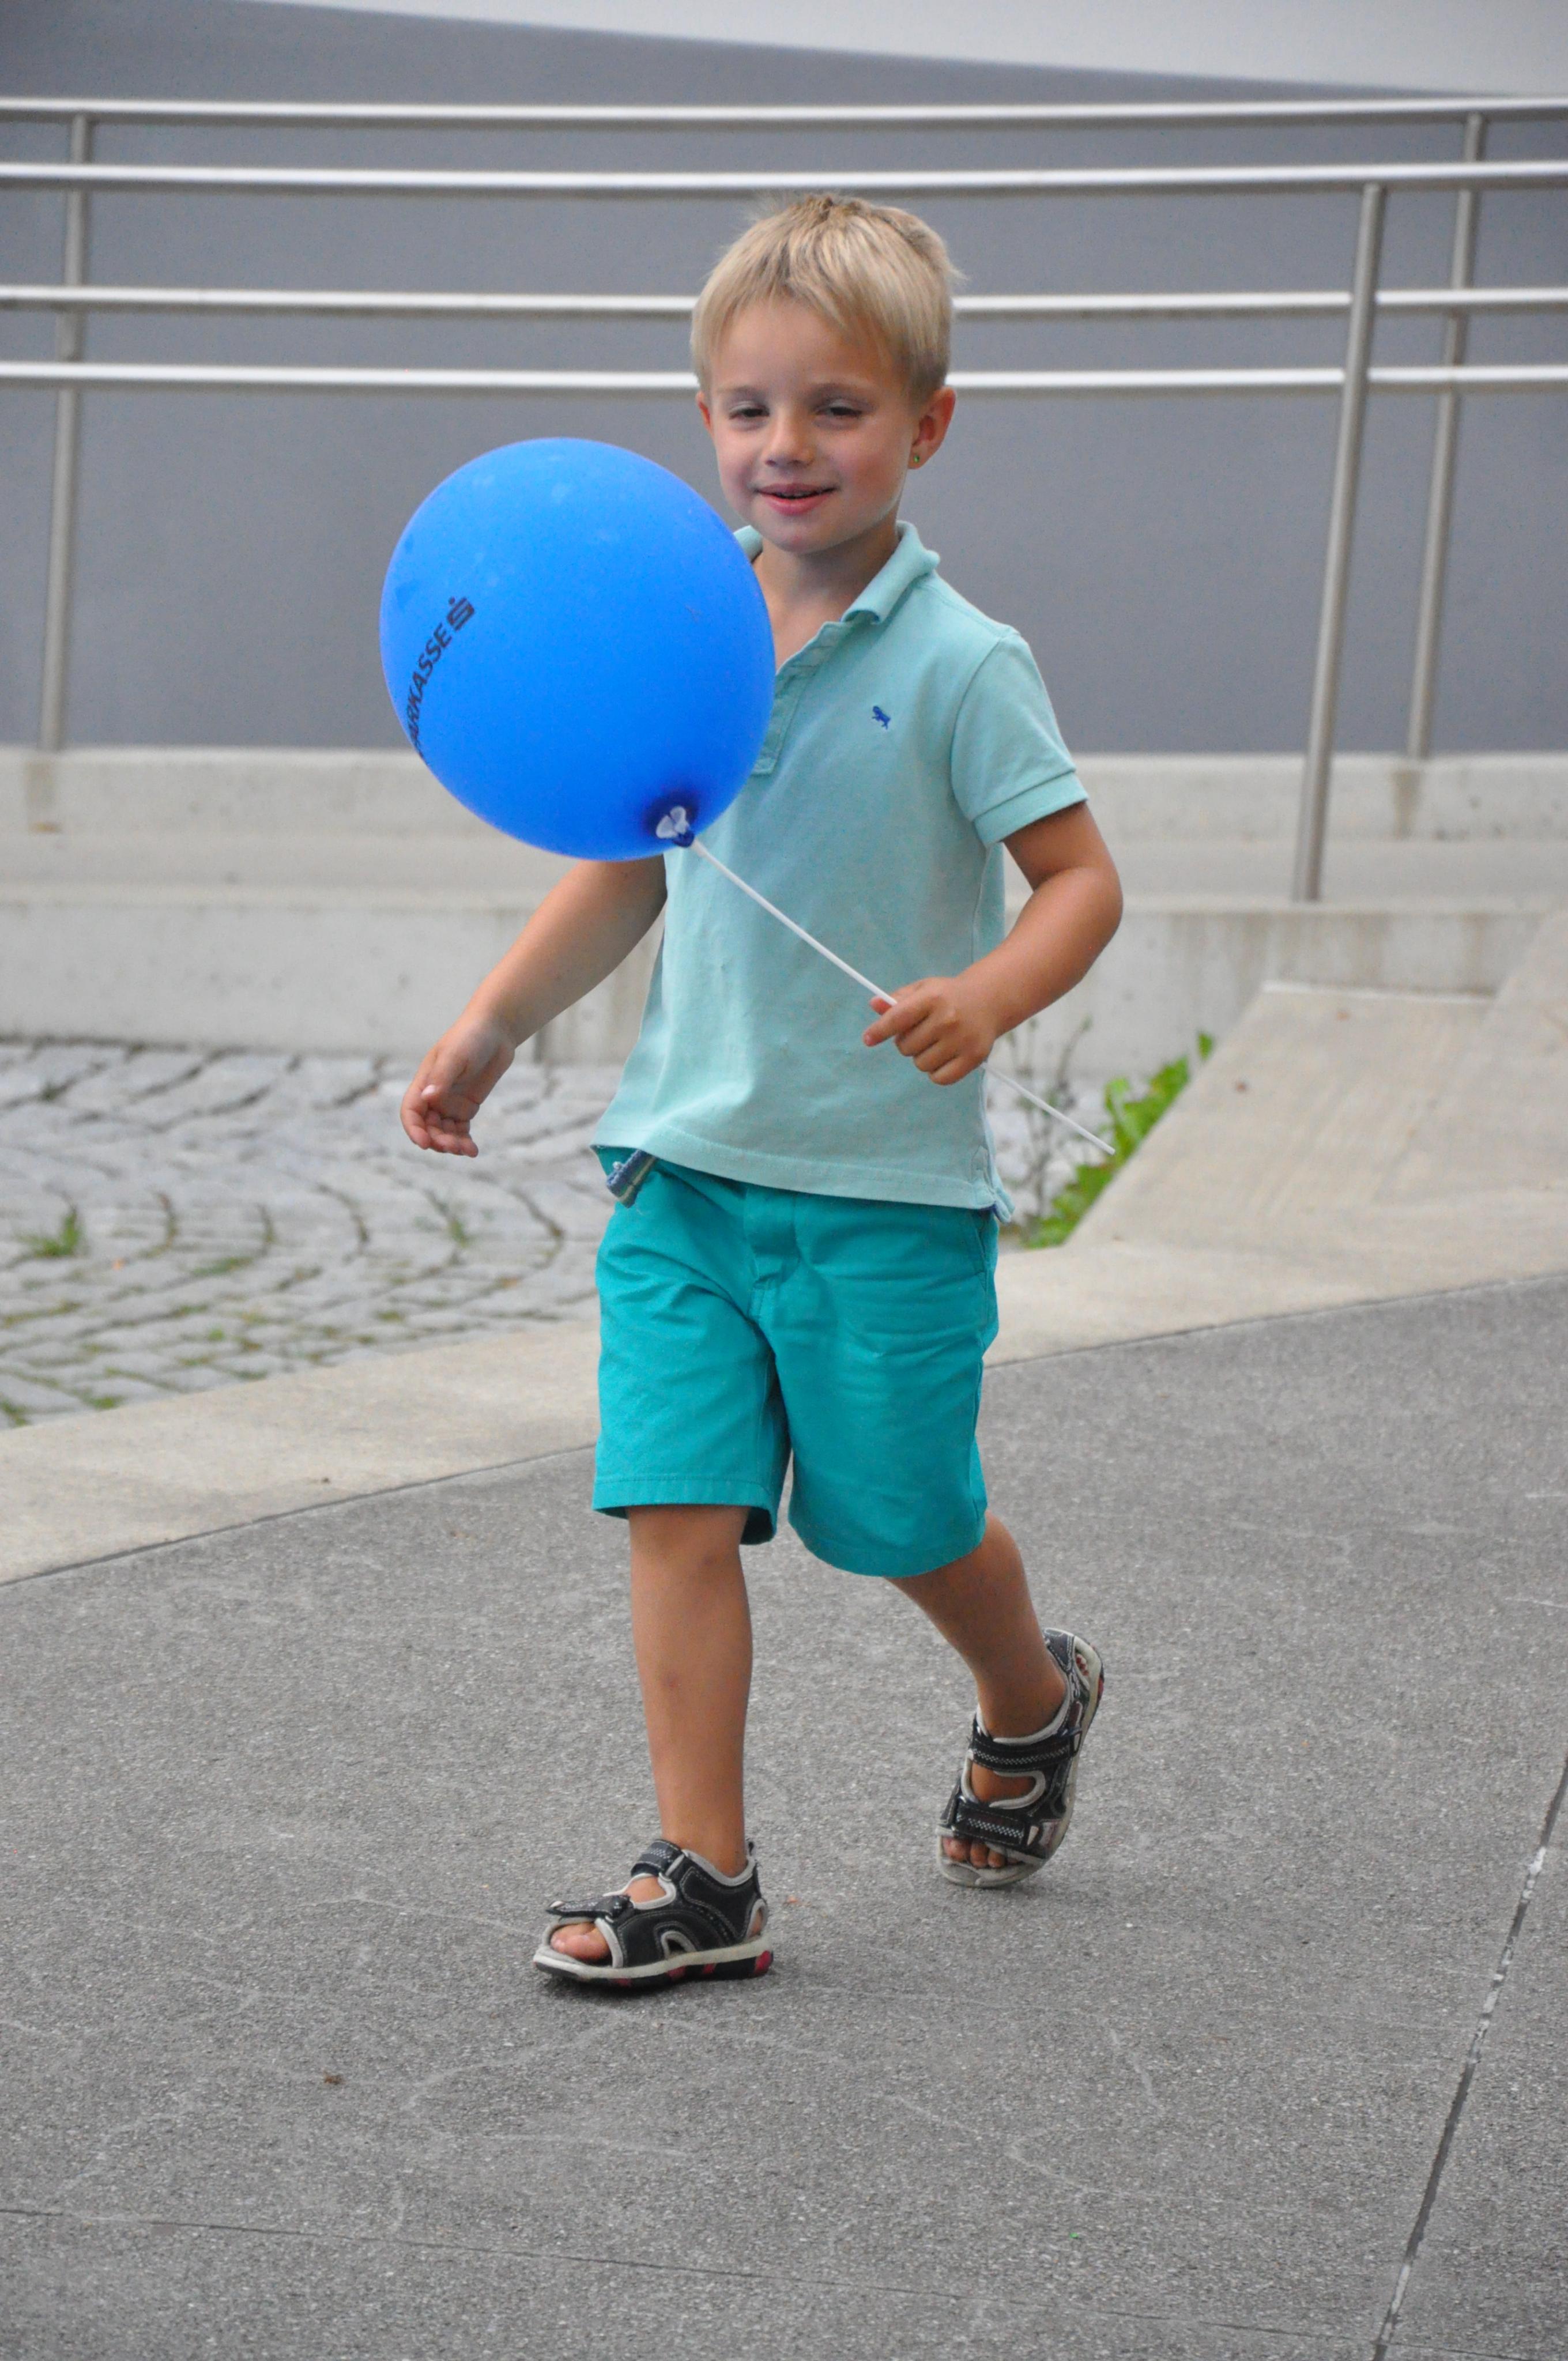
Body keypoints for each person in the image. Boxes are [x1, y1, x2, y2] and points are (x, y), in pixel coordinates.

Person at [401, 195, 1124, 1989]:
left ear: (928, 425)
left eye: (837, 409)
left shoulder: (963, 663)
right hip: (687, 1177)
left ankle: (1029, 1696)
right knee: (671, 1504)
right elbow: (633, 860)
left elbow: (1081, 881)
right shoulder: (681, 616)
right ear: (706, 418)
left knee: (905, 1520)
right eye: (748, 408)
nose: (785, 445)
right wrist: (494, 1025)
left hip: (881, 1193)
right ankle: (704, 1872)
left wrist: (989, 994)